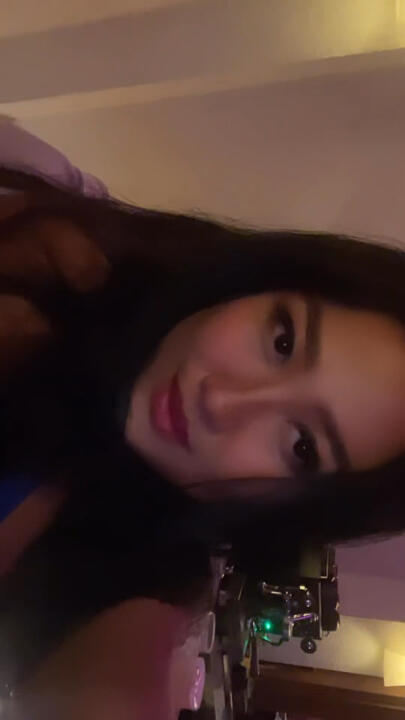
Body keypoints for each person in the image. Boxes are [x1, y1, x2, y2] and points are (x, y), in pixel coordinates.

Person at [0, 121, 405, 716]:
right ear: (259, 283)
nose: (225, 401)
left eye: (301, 445)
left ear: (294, 505)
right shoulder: (50, 205)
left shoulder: (133, 575)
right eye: (283, 341)